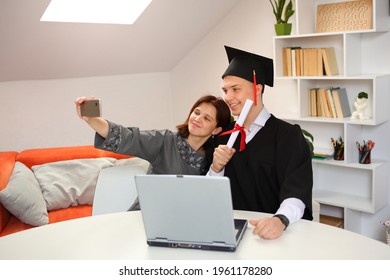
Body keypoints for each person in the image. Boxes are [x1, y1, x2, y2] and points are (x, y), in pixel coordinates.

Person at [209, 46, 313, 240]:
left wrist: (280, 219)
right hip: (232, 232)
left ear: (257, 88)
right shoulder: (223, 136)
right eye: (225, 90)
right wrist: (216, 168)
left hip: (275, 232)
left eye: (235, 89)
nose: (228, 97)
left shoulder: (287, 136)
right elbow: (210, 196)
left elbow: (297, 191)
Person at [75, 94, 231, 175]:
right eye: (196, 112)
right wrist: (92, 119)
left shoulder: (213, 159)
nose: (197, 119)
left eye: (206, 118)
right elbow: (127, 138)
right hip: (146, 215)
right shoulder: (165, 140)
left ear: (216, 130)